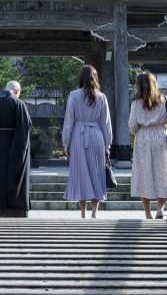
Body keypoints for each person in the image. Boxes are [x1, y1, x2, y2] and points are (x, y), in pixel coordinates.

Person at [62, 65, 113, 218]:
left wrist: (66, 142)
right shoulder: (102, 97)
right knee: (96, 173)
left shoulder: (74, 95)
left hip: (79, 135)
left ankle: (83, 213)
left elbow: (69, 121)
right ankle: (94, 213)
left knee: (80, 174)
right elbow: (106, 123)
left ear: (81, 78)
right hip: (96, 135)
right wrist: (107, 144)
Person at [128, 71, 167, 219]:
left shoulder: (136, 103)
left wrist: (140, 128)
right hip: (161, 137)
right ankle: (160, 210)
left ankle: (148, 213)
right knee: (162, 173)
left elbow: (132, 125)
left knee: (145, 174)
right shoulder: (165, 99)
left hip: (143, 137)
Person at [0, 80, 32, 217]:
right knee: (13, 175)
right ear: (17, 91)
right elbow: (24, 130)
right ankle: (15, 207)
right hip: (13, 147)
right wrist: (22, 153)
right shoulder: (18, 104)